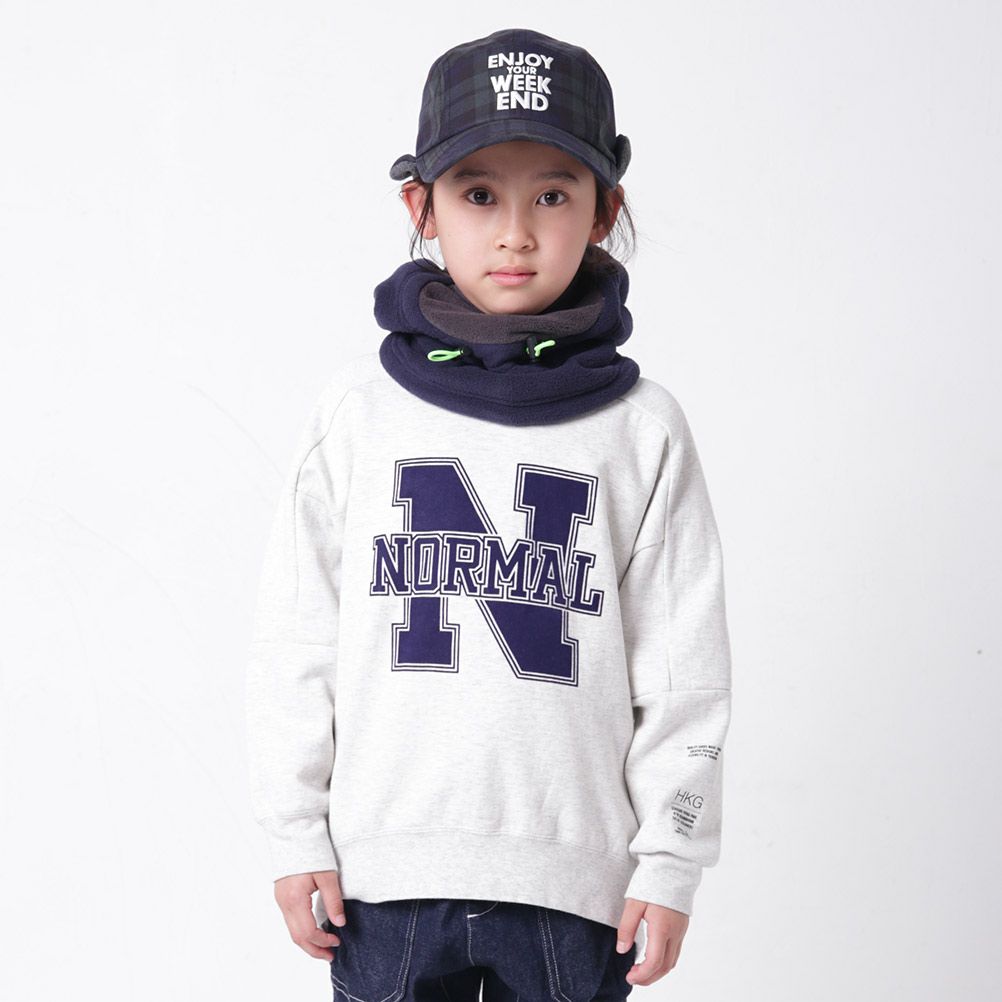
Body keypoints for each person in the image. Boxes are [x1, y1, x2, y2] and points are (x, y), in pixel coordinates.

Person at [245, 26, 732, 1002]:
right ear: (420, 208)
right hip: (384, 885)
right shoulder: (357, 415)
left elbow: (685, 673)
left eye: (552, 195)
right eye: (478, 195)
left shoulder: (642, 430)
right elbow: (296, 640)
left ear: (605, 211)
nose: (515, 233)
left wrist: (671, 860)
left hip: (575, 895)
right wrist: (294, 831)